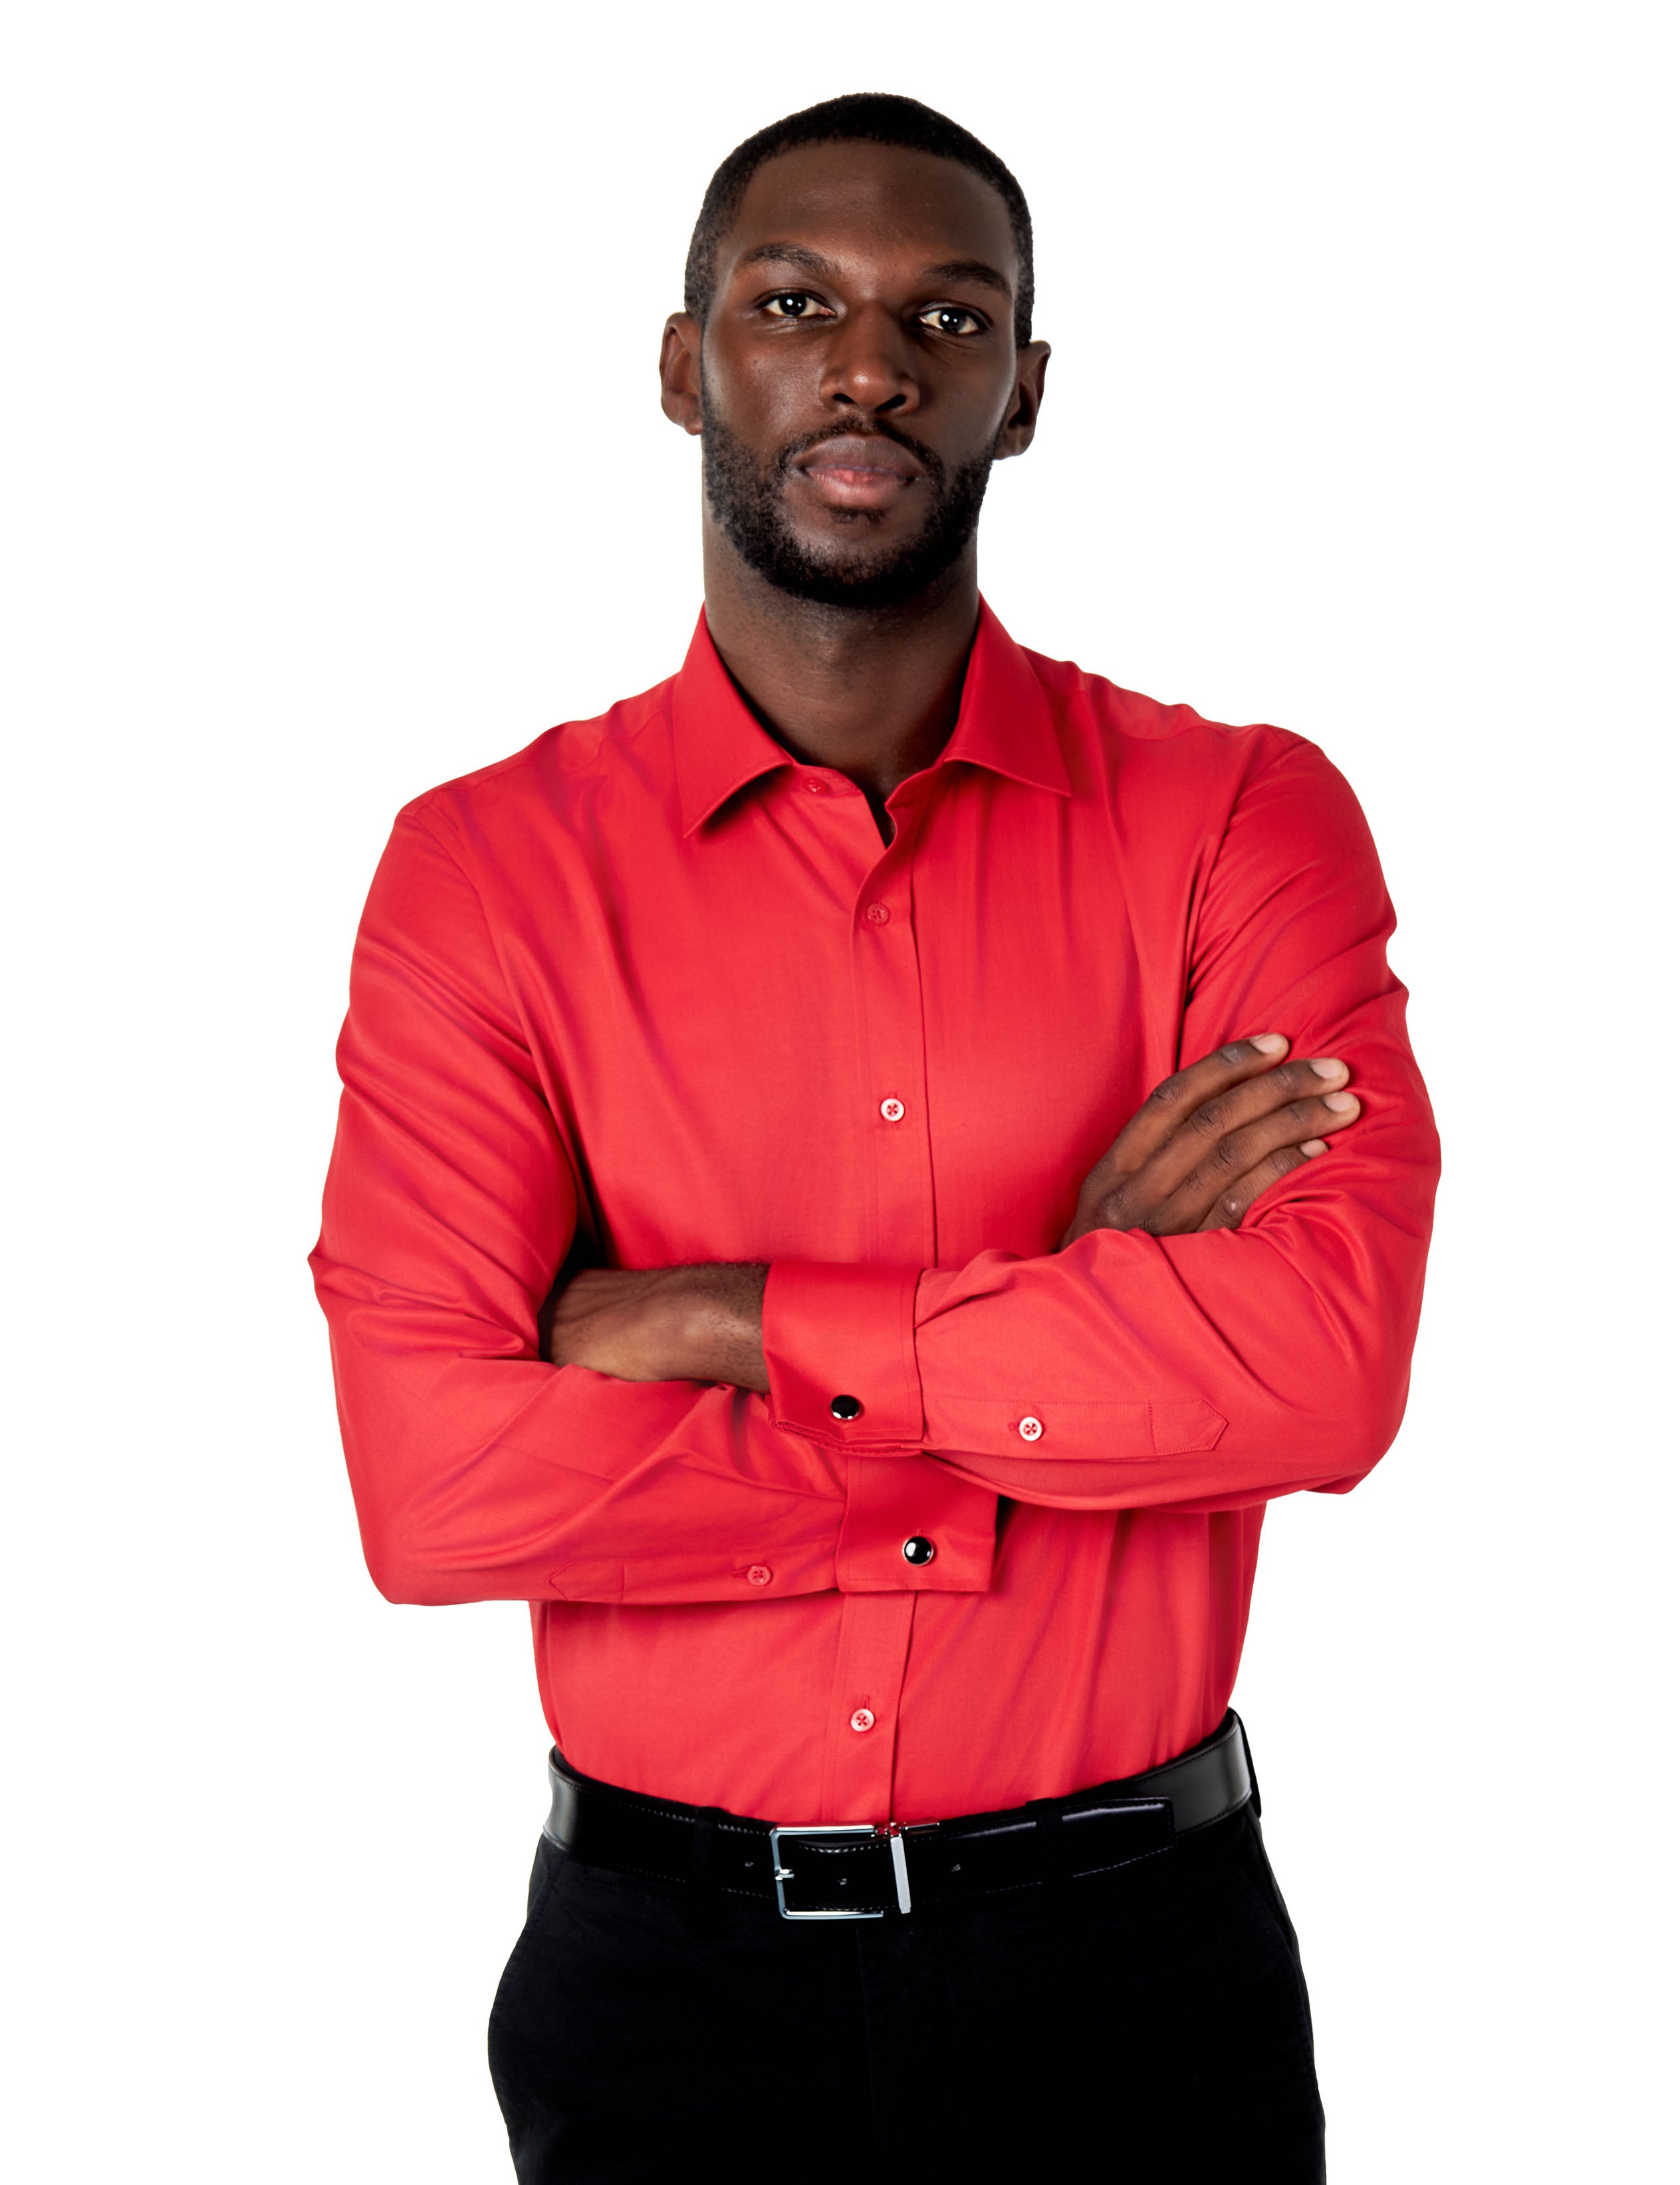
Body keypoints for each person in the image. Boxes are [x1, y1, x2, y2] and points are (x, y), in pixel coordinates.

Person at [311, 92, 1437, 2184]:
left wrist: (728, 1319)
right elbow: (439, 1490)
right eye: (797, 303)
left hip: (1136, 1980)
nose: (868, 365)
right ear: (686, 367)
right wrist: (1067, 1328)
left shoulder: (1236, 824)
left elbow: (1321, 1371)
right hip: (665, 1993)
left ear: (1023, 395)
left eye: (947, 318)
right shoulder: (483, 874)